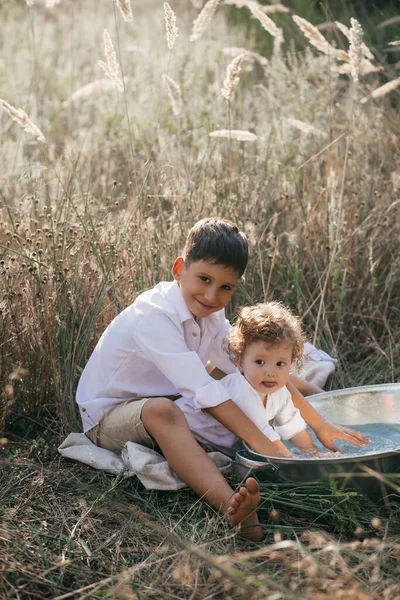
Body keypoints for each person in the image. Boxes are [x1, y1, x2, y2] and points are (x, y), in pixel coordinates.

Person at [76, 218, 369, 541]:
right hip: (108, 415)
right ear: (178, 269)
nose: (211, 295)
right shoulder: (154, 317)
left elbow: (247, 368)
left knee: (255, 369)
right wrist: (276, 453)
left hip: (173, 394)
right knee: (164, 411)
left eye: (225, 287)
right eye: (204, 279)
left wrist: (321, 419)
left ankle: (328, 410)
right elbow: (205, 393)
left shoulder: (211, 313)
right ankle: (234, 509)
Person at [176, 302, 329, 458]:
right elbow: (264, 438)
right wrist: (292, 460)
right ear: (241, 362)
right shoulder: (242, 392)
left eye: (280, 364)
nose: (270, 373)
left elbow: (292, 425)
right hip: (186, 427)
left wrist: (314, 452)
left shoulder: (280, 392)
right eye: (260, 362)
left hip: (216, 439)